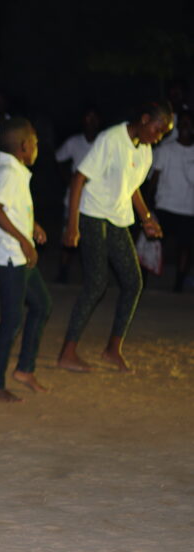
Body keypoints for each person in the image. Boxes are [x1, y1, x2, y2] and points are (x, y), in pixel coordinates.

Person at [58, 101, 172, 372]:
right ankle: (67, 353)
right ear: (145, 119)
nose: (158, 138)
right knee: (97, 283)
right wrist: (72, 225)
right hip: (92, 214)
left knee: (133, 282)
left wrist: (146, 219)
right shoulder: (111, 139)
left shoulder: (145, 150)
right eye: (158, 130)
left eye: (163, 134)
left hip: (118, 218)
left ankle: (112, 349)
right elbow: (78, 178)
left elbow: (132, 188)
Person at [0, 117, 52, 403]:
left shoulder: (16, 170)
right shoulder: (9, 173)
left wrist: (31, 225)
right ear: (24, 146)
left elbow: (12, 208)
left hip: (17, 255)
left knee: (42, 305)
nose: (37, 146)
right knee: (12, 320)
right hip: (10, 256)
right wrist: (24, 241)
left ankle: (25, 369)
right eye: (35, 142)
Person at [148, 110, 194, 292]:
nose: (185, 126)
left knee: (185, 247)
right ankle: (141, 281)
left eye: (189, 122)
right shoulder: (165, 149)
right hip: (165, 206)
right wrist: (148, 205)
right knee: (153, 243)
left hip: (189, 209)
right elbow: (154, 178)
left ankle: (178, 286)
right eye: (182, 122)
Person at [55, 107, 101, 283]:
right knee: (68, 233)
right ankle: (63, 272)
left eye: (94, 118)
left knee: (93, 240)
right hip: (74, 197)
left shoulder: (103, 142)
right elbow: (58, 159)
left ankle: (92, 276)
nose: (91, 122)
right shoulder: (74, 142)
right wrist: (68, 180)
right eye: (88, 118)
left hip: (96, 200)